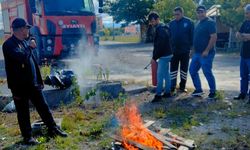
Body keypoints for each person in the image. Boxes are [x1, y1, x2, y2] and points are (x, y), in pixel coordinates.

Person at [2, 18, 67, 145]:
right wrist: (30, 47)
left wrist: (31, 42)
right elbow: (21, 58)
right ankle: (27, 137)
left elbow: (32, 55)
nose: (28, 31)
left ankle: (53, 129)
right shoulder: (9, 45)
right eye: (26, 28)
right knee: (23, 112)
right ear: (21, 29)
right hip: (19, 86)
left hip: (33, 83)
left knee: (43, 107)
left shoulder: (24, 42)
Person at [189, 5, 217, 99]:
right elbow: (195, 38)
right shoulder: (197, 23)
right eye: (198, 12)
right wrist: (192, 51)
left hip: (206, 53)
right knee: (192, 70)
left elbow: (213, 37)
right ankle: (198, 90)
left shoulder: (210, 22)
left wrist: (207, 50)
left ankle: (213, 92)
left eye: (202, 12)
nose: (200, 14)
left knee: (207, 72)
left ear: (205, 12)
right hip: (197, 53)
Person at [148, 12, 173, 102]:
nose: (152, 23)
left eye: (153, 21)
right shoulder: (165, 26)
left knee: (159, 75)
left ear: (158, 19)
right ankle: (167, 92)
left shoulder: (160, 29)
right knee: (166, 74)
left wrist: (154, 58)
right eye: (151, 21)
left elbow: (160, 45)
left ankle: (158, 95)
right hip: (168, 53)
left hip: (164, 55)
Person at [169, 7, 194, 93]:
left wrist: (192, 49)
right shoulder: (171, 23)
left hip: (185, 51)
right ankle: (172, 87)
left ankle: (182, 87)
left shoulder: (189, 22)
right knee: (173, 70)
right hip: (174, 52)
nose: (176, 16)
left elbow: (192, 37)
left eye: (178, 14)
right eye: (175, 14)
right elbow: (169, 38)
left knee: (184, 70)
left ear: (182, 13)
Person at [234, 4, 250, 104]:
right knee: (243, 75)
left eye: (247, 13)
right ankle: (243, 93)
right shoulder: (245, 22)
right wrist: (244, 36)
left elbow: (247, 36)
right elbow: (237, 35)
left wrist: (244, 36)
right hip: (243, 54)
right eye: (245, 13)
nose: (246, 15)